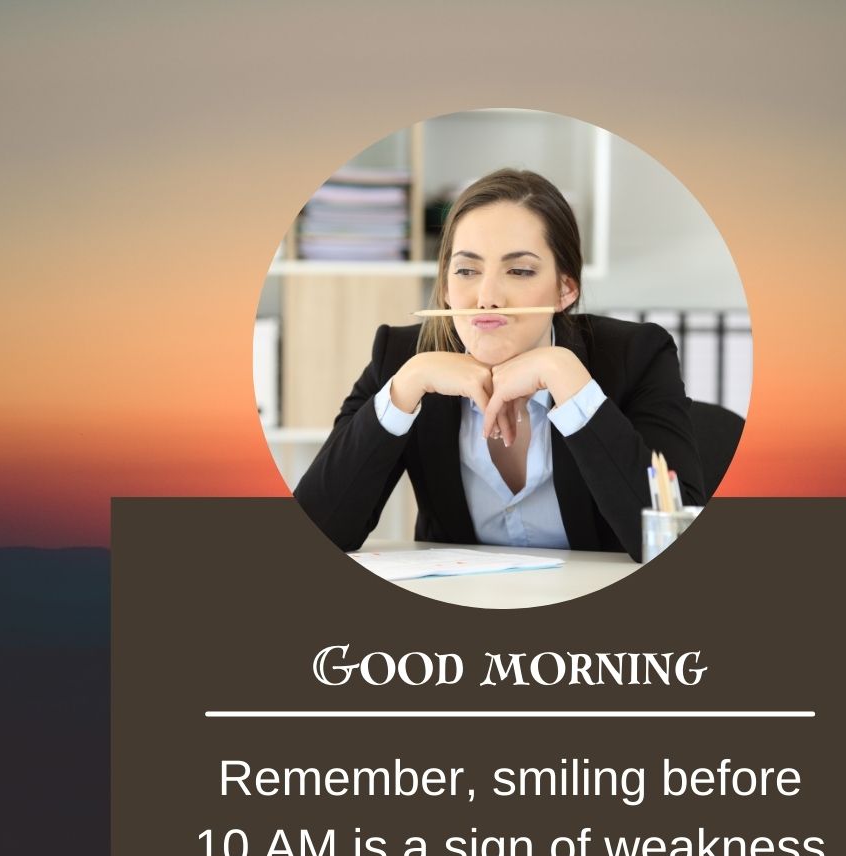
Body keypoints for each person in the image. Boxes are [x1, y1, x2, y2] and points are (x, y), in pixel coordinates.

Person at [294, 168, 704, 562]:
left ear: (566, 288)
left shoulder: (638, 354)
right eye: (467, 270)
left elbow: (673, 542)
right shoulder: (401, 359)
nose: (486, 297)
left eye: (520, 270)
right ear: (446, 287)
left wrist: (571, 386)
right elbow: (318, 530)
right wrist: (405, 390)